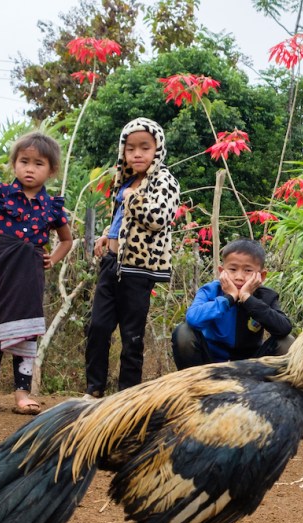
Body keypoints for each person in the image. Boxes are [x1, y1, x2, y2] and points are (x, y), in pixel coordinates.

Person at [0, 131, 72, 416]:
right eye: (24, 161)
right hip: (1, 269)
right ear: (14, 164)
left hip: (31, 273)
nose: (30, 168)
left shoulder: (51, 206)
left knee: (27, 331)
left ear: (51, 170)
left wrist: (53, 259)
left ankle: (22, 395)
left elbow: (67, 239)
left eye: (38, 163)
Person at [85, 117, 180, 397]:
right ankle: (94, 390)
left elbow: (159, 218)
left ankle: (127, 394)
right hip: (111, 264)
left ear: (158, 150)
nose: (137, 154)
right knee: (98, 327)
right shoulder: (126, 181)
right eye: (131, 149)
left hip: (139, 269)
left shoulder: (166, 181)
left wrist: (132, 197)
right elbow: (122, 220)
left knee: (131, 335)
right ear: (123, 152)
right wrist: (107, 234)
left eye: (145, 147)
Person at [171, 238, 295, 369]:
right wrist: (229, 298)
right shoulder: (210, 291)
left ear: (261, 276)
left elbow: (284, 328)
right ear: (221, 271)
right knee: (183, 332)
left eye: (248, 270)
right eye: (233, 269)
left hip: (250, 365)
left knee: (286, 342)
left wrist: (248, 299)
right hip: (210, 363)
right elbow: (192, 319)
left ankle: (269, 387)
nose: (239, 277)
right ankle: (193, 386)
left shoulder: (266, 296)